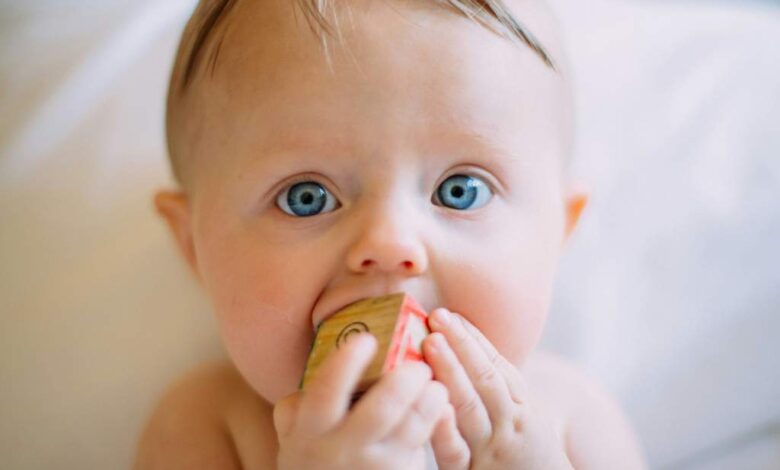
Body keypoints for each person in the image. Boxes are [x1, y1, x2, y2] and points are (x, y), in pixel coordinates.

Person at [135, 0, 646, 467]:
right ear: (194, 247)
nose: (389, 242)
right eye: (306, 197)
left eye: (461, 191)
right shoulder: (206, 427)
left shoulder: (570, 422)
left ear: (558, 234)